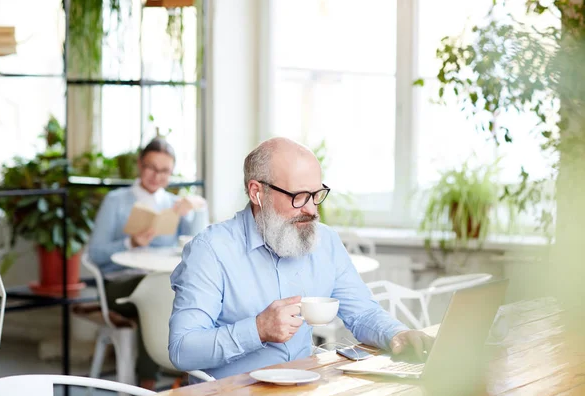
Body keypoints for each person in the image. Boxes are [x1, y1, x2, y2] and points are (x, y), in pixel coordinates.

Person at [168, 137, 433, 382]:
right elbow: (182, 349)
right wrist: (258, 329)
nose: (311, 209)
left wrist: (396, 334)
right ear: (256, 192)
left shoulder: (325, 242)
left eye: (316, 195)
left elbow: (362, 312)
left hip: (306, 389)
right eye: (299, 197)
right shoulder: (210, 250)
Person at [88, 137, 209, 390]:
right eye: (151, 168)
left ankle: (187, 376)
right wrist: (130, 242)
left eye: (164, 171)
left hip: (159, 282)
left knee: (174, 292)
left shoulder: (172, 205)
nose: (156, 176)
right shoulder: (116, 201)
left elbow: (197, 244)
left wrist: (198, 209)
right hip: (118, 285)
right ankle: (148, 385)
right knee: (156, 294)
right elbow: (96, 253)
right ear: (140, 165)